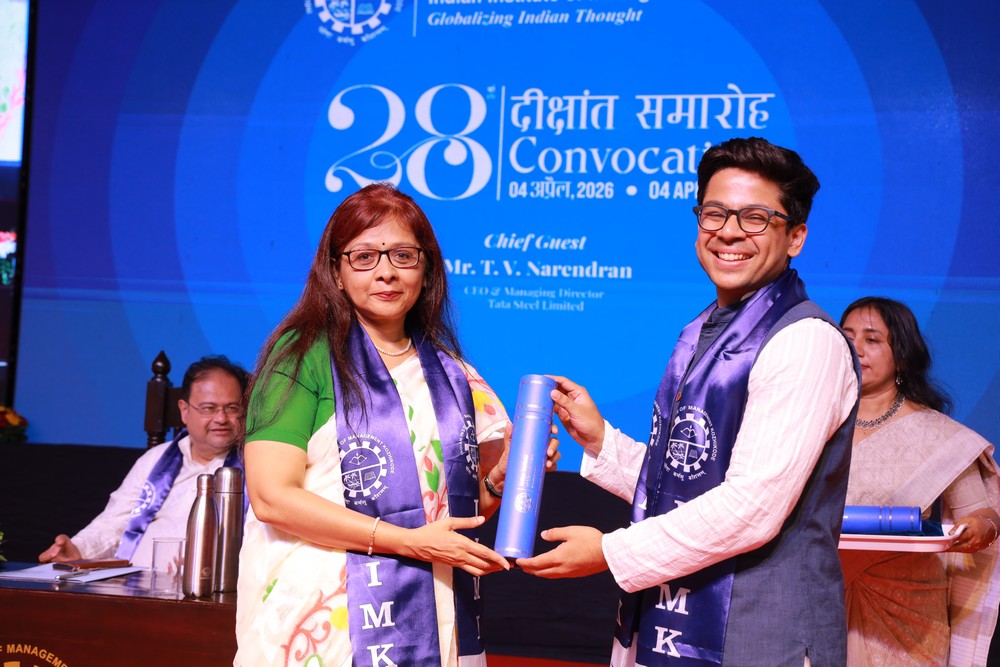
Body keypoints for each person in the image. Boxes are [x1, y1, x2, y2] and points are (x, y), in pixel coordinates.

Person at [518, 137, 860, 666]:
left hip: (760, 637)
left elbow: (750, 508)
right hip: (675, 618)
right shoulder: (703, 331)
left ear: (795, 237)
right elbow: (688, 481)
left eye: (755, 218)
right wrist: (601, 440)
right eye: (715, 213)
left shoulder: (805, 341)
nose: (729, 232)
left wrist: (610, 551)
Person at [234, 183, 557, 667]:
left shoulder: (454, 374)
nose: (386, 272)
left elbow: (458, 514)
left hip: (434, 607)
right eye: (364, 257)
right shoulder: (301, 356)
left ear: (426, 270)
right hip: (323, 619)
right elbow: (271, 497)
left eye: (403, 255)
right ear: (336, 272)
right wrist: (406, 541)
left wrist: (500, 477)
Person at [839, 297, 1000, 666]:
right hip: (818, 598)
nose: (856, 348)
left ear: (902, 355)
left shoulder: (938, 436)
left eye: (872, 339)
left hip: (906, 615)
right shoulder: (815, 424)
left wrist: (982, 527)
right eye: (847, 337)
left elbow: (984, 513)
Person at [38, 355, 250, 567]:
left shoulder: (254, 465)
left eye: (232, 408)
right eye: (209, 408)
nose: (221, 418)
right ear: (184, 410)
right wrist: (78, 549)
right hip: (132, 580)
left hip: (211, 582)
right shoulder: (156, 460)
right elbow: (114, 523)